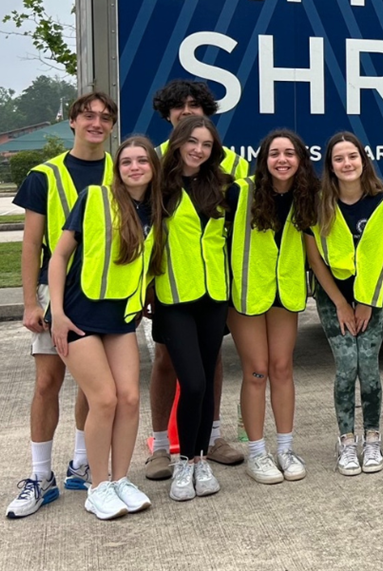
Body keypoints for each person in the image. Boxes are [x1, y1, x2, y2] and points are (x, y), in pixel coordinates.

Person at [7, 92, 116, 519]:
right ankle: (40, 476)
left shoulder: (121, 170)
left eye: (105, 118)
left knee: (94, 387)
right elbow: (32, 244)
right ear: (71, 121)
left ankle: (80, 462)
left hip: (105, 292)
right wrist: (30, 302)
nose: (97, 123)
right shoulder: (44, 175)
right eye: (88, 116)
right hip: (58, 296)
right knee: (47, 384)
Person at [48, 135, 163, 520]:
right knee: (105, 399)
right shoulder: (94, 198)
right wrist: (57, 313)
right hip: (79, 317)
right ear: (118, 169)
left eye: (142, 161)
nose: (134, 167)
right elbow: (60, 255)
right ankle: (97, 487)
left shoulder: (157, 209)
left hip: (120, 319)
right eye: (127, 161)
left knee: (130, 398)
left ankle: (119, 480)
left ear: (152, 167)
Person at [145, 80, 249, 480]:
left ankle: (213, 439)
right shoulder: (152, 165)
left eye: (195, 106)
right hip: (172, 291)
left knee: (211, 364)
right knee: (165, 361)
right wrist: (147, 288)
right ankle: (159, 446)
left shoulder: (231, 167)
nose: (187, 112)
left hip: (214, 291)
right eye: (179, 107)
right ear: (167, 116)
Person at [306, 133, 383, 476]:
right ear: (330, 166)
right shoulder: (319, 205)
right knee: (347, 368)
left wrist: (365, 302)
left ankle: (373, 438)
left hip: (372, 299)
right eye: (339, 159)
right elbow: (316, 261)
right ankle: (346, 440)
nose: (347, 164)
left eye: (353, 157)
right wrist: (342, 305)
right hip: (334, 298)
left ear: (363, 160)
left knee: (370, 369)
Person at [226, 129, 318, 484]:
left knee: (282, 368)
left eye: (290, 153)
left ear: (300, 160)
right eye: (275, 153)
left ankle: (285, 448)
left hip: (286, 292)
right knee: (257, 371)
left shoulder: (307, 196)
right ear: (264, 159)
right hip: (247, 293)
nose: (282, 160)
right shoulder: (240, 192)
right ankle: (257, 453)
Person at [154, 116, 232, 500]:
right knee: (194, 382)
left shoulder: (222, 186)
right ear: (179, 142)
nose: (198, 150)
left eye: (206, 144)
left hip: (213, 297)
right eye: (192, 142)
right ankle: (183, 462)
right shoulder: (159, 186)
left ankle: (201, 460)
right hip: (174, 299)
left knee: (204, 388)